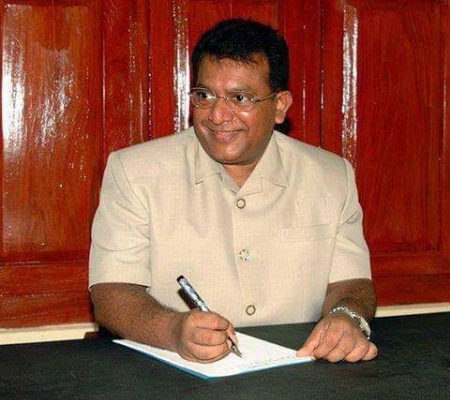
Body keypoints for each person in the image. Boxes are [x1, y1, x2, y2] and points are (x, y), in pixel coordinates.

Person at [89, 18, 378, 364]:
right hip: (176, 375)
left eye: (239, 98)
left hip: (297, 373)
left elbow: (352, 283)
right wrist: (173, 330)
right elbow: (111, 291)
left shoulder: (332, 177)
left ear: (280, 106)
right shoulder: (134, 172)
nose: (217, 115)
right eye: (205, 96)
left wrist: (347, 316)